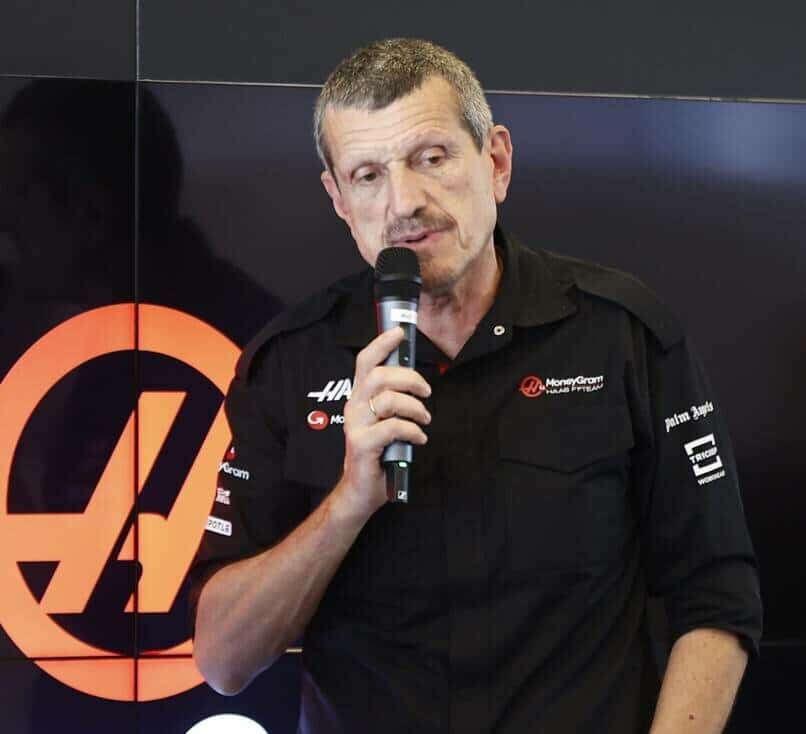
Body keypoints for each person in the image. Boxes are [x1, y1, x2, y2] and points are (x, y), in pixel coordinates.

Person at [188, 38, 762, 733]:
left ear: (496, 162)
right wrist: (349, 501)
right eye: (368, 175)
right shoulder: (288, 363)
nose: (405, 202)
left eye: (431, 158)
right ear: (338, 199)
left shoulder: (623, 335)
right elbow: (223, 659)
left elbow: (717, 595)